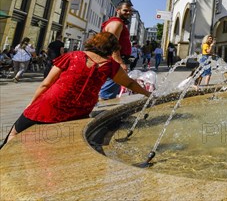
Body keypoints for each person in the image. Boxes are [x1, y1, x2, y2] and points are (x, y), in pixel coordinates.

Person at [1, 32, 151, 148]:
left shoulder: (72, 56)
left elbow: (46, 84)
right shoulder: (111, 66)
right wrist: (148, 94)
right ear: (112, 49)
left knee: (14, 132)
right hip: (79, 112)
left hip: (50, 105)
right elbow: (130, 84)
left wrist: (31, 104)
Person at [99, 1, 133, 100]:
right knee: (106, 94)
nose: (128, 13)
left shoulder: (117, 22)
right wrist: (120, 62)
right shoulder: (117, 23)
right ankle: (102, 112)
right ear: (117, 10)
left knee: (110, 91)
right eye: (125, 10)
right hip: (115, 62)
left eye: (130, 11)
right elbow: (113, 44)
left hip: (114, 61)